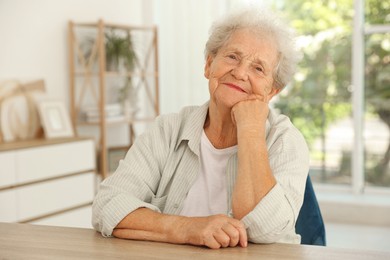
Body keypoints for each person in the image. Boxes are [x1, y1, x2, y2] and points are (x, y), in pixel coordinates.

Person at [92, 6, 309, 249]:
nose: (239, 73)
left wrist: (250, 130)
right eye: (232, 57)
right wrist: (188, 228)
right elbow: (107, 206)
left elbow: (266, 229)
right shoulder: (168, 130)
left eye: (258, 68)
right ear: (209, 65)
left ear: (272, 91)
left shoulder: (286, 141)